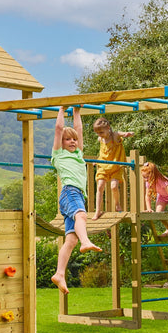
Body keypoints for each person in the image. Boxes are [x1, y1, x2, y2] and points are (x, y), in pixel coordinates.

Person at [51, 106, 102, 295]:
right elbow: (58, 129)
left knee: (70, 240)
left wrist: (77, 112)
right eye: (68, 139)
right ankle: (86, 241)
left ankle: (60, 274)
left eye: (74, 139)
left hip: (77, 194)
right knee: (82, 215)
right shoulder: (58, 154)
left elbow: (79, 130)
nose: (72, 141)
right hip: (70, 192)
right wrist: (62, 110)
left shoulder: (78, 154)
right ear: (61, 143)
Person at [92, 116, 134, 219]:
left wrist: (127, 134)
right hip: (103, 165)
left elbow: (122, 133)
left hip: (115, 165)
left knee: (114, 186)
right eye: (97, 133)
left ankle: (117, 204)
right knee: (100, 186)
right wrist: (97, 160)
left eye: (101, 132)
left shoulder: (115, 136)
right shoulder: (100, 139)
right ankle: (98, 210)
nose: (99, 135)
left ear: (108, 128)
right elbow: (103, 152)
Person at [141, 161, 168, 235]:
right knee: (158, 213)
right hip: (162, 197)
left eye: (147, 177)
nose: (146, 179)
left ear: (153, 174)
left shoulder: (161, 179)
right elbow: (147, 195)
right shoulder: (148, 182)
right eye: (144, 177)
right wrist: (149, 208)